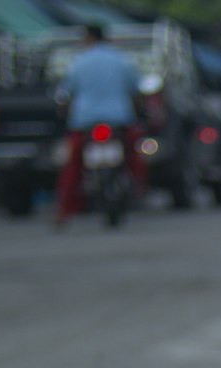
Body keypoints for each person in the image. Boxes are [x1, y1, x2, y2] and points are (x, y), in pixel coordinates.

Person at [53, 25, 143, 228]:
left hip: (84, 122)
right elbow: (136, 90)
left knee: (72, 167)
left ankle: (63, 213)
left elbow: (66, 93)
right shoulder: (122, 60)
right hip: (119, 119)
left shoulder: (78, 62)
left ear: (88, 38)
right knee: (134, 157)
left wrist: (64, 110)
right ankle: (139, 189)